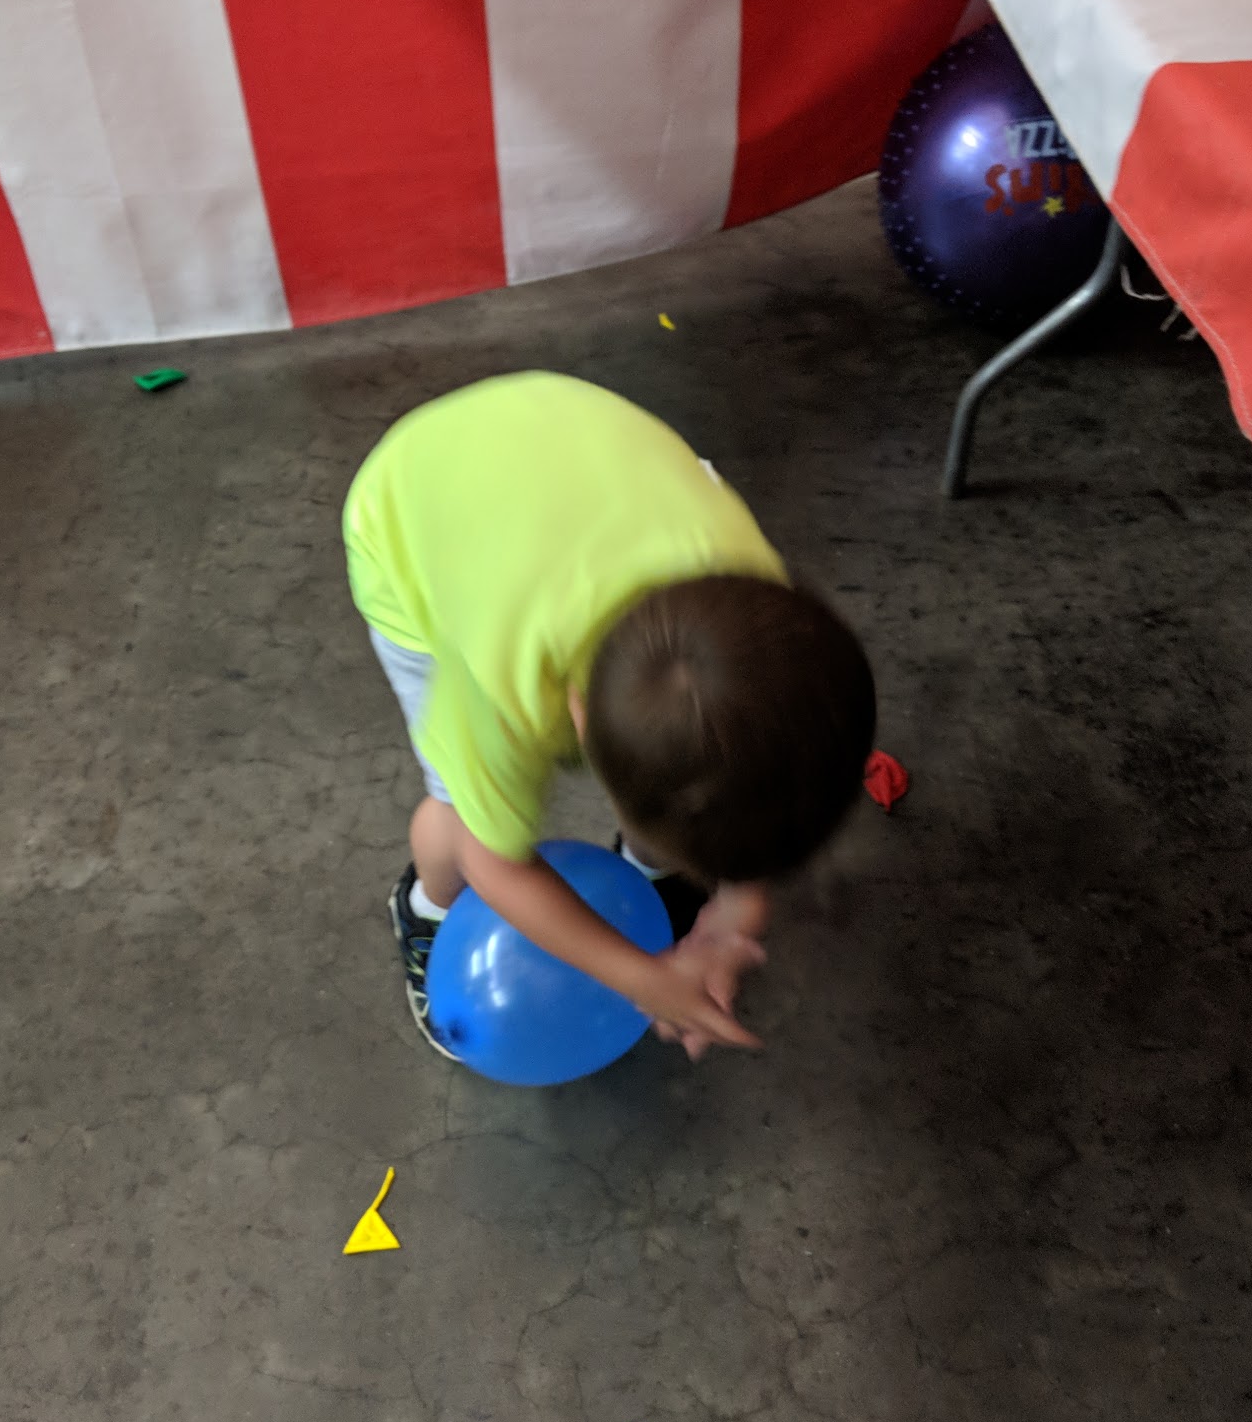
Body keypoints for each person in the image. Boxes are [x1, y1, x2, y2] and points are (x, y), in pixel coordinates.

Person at [343, 373, 875, 1062]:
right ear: (578, 722)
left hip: (566, 444)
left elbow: (769, 760)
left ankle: (653, 865)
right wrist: (642, 980)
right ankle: (427, 913)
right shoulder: (501, 696)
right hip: (407, 514)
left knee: (695, 767)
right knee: (455, 809)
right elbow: (493, 863)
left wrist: (738, 908)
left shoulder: (767, 620)